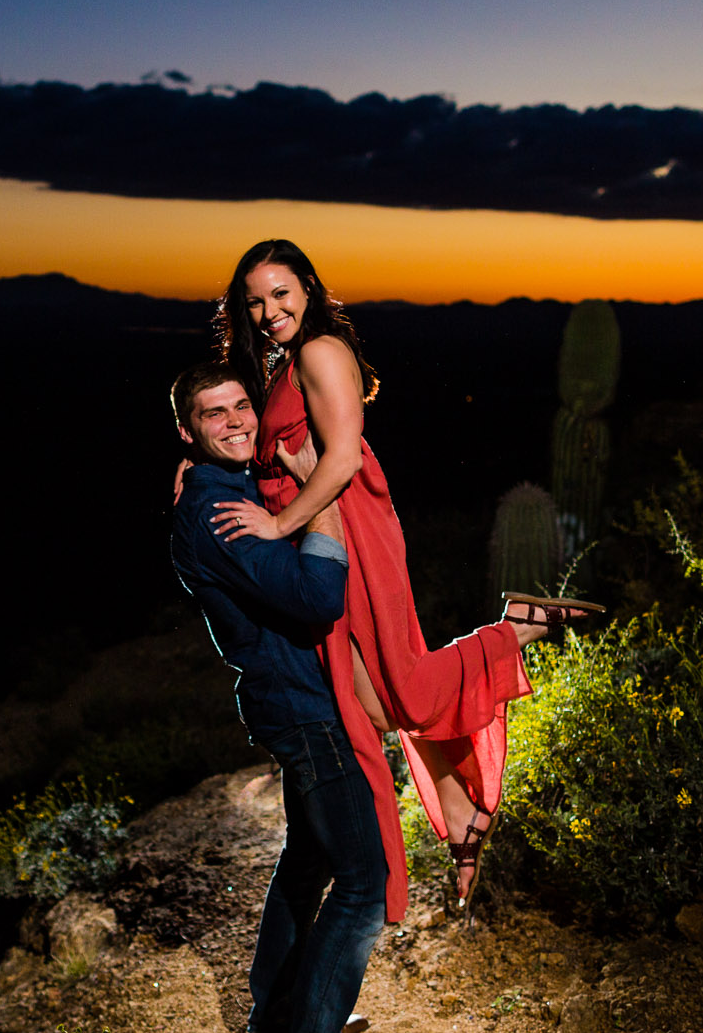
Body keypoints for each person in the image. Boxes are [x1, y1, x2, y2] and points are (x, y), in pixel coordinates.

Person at [205, 238, 586, 921]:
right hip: (316, 528)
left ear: (309, 290)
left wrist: (278, 519)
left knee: (400, 692)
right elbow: (290, 446)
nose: (268, 311)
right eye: (256, 300)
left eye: (281, 294)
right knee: (374, 706)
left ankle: (514, 630)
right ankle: (462, 814)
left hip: (346, 526)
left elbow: (345, 456)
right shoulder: (282, 361)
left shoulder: (319, 349)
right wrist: (200, 465)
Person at [167, 361, 398, 1033]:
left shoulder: (224, 489)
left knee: (309, 860)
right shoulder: (216, 512)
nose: (233, 420)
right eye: (213, 414)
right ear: (187, 431)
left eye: (240, 405)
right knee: (365, 880)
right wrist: (321, 495)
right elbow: (314, 595)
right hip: (302, 709)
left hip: (294, 700)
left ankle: (278, 1020)